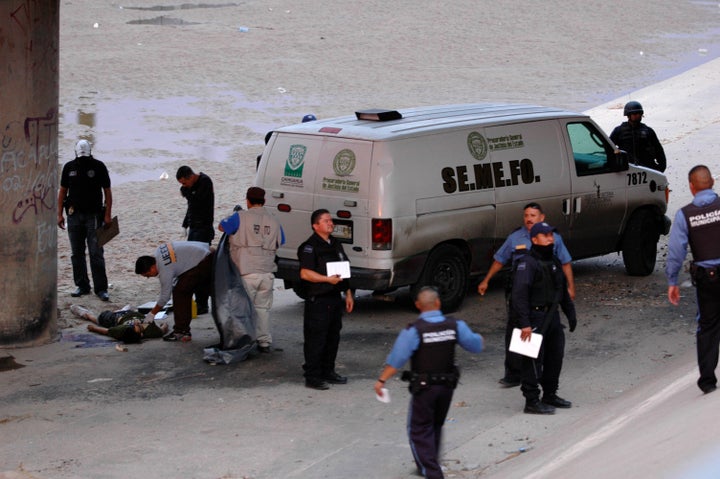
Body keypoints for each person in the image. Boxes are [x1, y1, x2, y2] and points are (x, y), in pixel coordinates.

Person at [374, 287, 483, 479]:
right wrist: (479, 339)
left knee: (418, 430)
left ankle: (432, 472)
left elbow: (397, 360)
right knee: (435, 425)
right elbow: (475, 345)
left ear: (418, 305)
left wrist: (381, 381)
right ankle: (428, 462)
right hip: (447, 387)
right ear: (438, 303)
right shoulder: (454, 325)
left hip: (424, 389)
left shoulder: (415, 330)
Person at [477, 202, 575, 387]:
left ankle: (539, 377)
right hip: (520, 290)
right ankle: (515, 374)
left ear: (542, 217)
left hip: (544, 292)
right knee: (516, 332)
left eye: (533, 215)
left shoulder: (552, 237)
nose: (529, 218)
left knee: (543, 333)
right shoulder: (516, 237)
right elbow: (500, 259)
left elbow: (565, 263)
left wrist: (570, 288)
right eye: (526, 215)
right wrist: (486, 280)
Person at [511, 222, 577, 414]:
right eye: (545, 235)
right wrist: (524, 324)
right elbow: (519, 295)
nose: (550, 238)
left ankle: (550, 394)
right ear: (534, 239)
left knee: (555, 357)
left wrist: (571, 314)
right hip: (534, 318)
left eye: (551, 235)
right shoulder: (527, 263)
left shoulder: (554, 261)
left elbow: (562, 291)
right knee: (532, 360)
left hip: (552, 317)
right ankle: (531, 400)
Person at [666, 165, 720, 394]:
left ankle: (707, 380)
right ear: (713, 182)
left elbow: (676, 250)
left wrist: (672, 281)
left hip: (708, 278)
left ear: (691, 186)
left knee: (708, 327)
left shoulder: (685, 214)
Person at [218, 187, 285, 353]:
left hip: (246, 272)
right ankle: (264, 342)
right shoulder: (274, 221)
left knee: (241, 309)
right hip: (267, 273)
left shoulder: (240, 217)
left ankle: (243, 340)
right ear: (265, 201)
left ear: (247, 200)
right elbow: (281, 240)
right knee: (263, 309)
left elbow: (221, 227)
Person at [298, 209, 354, 390]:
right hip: (319, 299)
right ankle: (313, 376)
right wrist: (327, 279)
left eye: (331, 221)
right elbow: (305, 273)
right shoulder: (309, 247)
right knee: (316, 339)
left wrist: (348, 293)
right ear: (316, 226)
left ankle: (328, 371)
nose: (331, 223)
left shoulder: (335, 244)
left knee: (333, 337)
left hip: (335, 298)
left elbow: (344, 269)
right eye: (326, 221)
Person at [57, 139, 113, 301]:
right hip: (73, 215)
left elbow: (107, 192)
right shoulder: (69, 168)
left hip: (94, 216)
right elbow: (62, 192)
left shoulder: (99, 166)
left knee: (96, 252)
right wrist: (59, 214)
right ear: (75, 154)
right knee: (77, 252)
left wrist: (108, 214)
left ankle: (101, 288)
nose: (82, 160)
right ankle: (82, 285)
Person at [135, 241, 214, 342]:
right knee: (200, 286)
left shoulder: (164, 270)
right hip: (208, 251)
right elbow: (178, 264)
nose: (148, 278)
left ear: (152, 268)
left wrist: (152, 314)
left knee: (180, 292)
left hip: (205, 260)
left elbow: (165, 297)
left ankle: (181, 332)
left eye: (147, 275)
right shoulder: (159, 250)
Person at [176, 165, 215, 314]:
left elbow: (197, 201)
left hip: (204, 229)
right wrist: (185, 224)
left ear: (190, 177)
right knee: (190, 266)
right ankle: (197, 302)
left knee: (200, 267)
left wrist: (185, 192)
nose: (184, 186)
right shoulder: (190, 189)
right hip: (194, 228)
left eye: (184, 183)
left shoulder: (205, 182)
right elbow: (191, 206)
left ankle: (202, 303)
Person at [609, 100, 667, 172]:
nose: (637, 116)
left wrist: (660, 168)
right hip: (628, 168)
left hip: (647, 168)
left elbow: (659, 150)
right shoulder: (619, 131)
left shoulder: (648, 131)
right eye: (634, 114)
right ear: (628, 115)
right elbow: (609, 148)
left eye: (639, 113)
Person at [69, 304, 168, 343]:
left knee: (98, 319)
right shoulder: (152, 331)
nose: (135, 324)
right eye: (136, 326)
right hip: (131, 312)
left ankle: (82, 312)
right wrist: (163, 324)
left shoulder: (122, 330)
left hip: (115, 318)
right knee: (130, 307)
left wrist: (93, 328)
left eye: (135, 326)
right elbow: (163, 330)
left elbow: (106, 331)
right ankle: (122, 309)